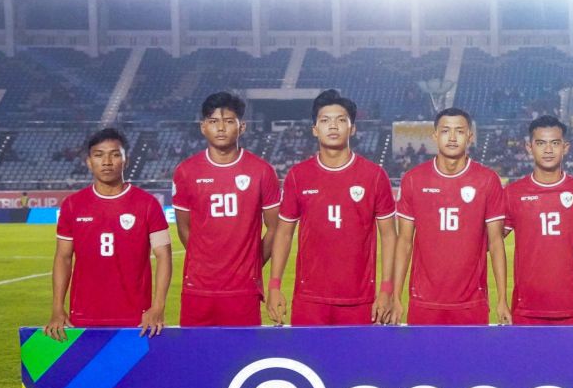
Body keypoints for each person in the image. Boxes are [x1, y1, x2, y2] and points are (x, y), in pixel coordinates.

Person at [266, 90, 396, 326]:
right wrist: (274, 285)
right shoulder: (299, 175)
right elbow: (284, 233)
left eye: (341, 120)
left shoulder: (374, 176)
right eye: (325, 121)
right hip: (310, 300)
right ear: (315, 129)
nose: (333, 126)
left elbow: (389, 235)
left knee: (357, 364)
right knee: (309, 361)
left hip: (359, 299)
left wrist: (387, 289)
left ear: (352, 128)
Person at [45, 128, 172, 339]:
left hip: (136, 318)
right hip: (84, 315)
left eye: (115, 154)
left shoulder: (147, 204)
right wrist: (57, 308)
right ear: (88, 161)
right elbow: (63, 257)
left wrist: (158, 307)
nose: (107, 161)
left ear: (126, 160)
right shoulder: (72, 205)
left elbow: (164, 256)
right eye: (99, 155)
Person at [392, 107, 510, 325]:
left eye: (460, 131)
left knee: (470, 359)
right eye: (446, 131)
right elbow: (404, 242)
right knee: (424, 359)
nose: (453, 137)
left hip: (472, 301)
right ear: (435, 136)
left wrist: (502, 298)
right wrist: (395, 296)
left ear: (470, 137)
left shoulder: (487, 180)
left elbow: (495, 242)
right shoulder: (413, 179)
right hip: (424, 301)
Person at [172, 92, 280, 326]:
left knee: (242, 358)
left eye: (229, 121)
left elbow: (275, 228)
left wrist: (251, 264)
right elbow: (184, 228)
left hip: (243, 289)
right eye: (213, 122)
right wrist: (205, 265)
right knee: (195, 357)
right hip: (198, 288)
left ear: (242, 127)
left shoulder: (262, 171)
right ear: (203, 127)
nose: (221, 128)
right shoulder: (186, 171)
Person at [504, 115, 573, 325]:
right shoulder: (513, 193)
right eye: (541, 143)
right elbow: (490, 241)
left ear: (566, 147)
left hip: (570, 306)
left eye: (555, 143)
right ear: (529, 147)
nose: (548, 150)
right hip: (526, 308)